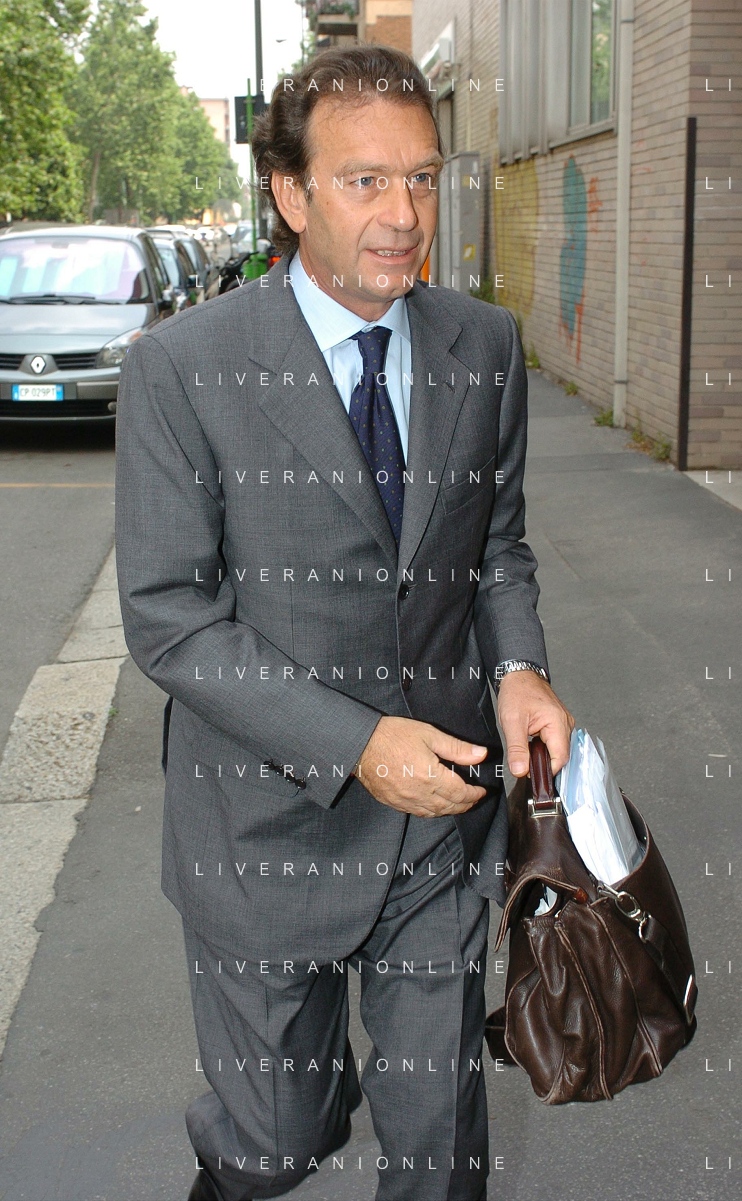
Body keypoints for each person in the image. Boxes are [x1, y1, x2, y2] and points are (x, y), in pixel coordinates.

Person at [115, 44, 574, 1201]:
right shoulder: (183, 366)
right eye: (365, 181)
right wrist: (358, 744)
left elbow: (495, 548)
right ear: (290, 192)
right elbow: (169, 614)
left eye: (421, 178)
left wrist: (519, 668)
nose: (403, 215)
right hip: (263, 835)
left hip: (439, 825)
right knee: (276, 1141)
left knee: (440, 1149)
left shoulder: (483, 346)